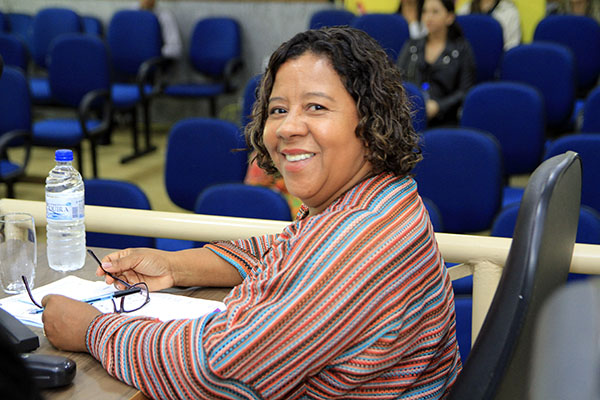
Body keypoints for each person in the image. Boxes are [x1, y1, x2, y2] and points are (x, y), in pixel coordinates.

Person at [40, 27, 461, 399]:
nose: (288, 127)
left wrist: (92, 330)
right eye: (278, 110)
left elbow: (215, 369)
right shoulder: (376, 202)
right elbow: (285, 250)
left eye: (316, 107)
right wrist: (173, 266)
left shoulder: (360, 239)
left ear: (370, 122)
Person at [397, 0, 476, 127]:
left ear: (449, 17)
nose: (428, 17)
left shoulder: (461, 49)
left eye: (435, 12)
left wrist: (439, 106)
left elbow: (465, 90)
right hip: (411, 117)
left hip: (447, 120)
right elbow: (398, 80)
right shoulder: (412, 45)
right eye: (425, 11)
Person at [457, 0, 522, 50]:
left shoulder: (510, 12)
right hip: (467, 59)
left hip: (497, 61)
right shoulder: (465, 9)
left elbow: (511, 49)